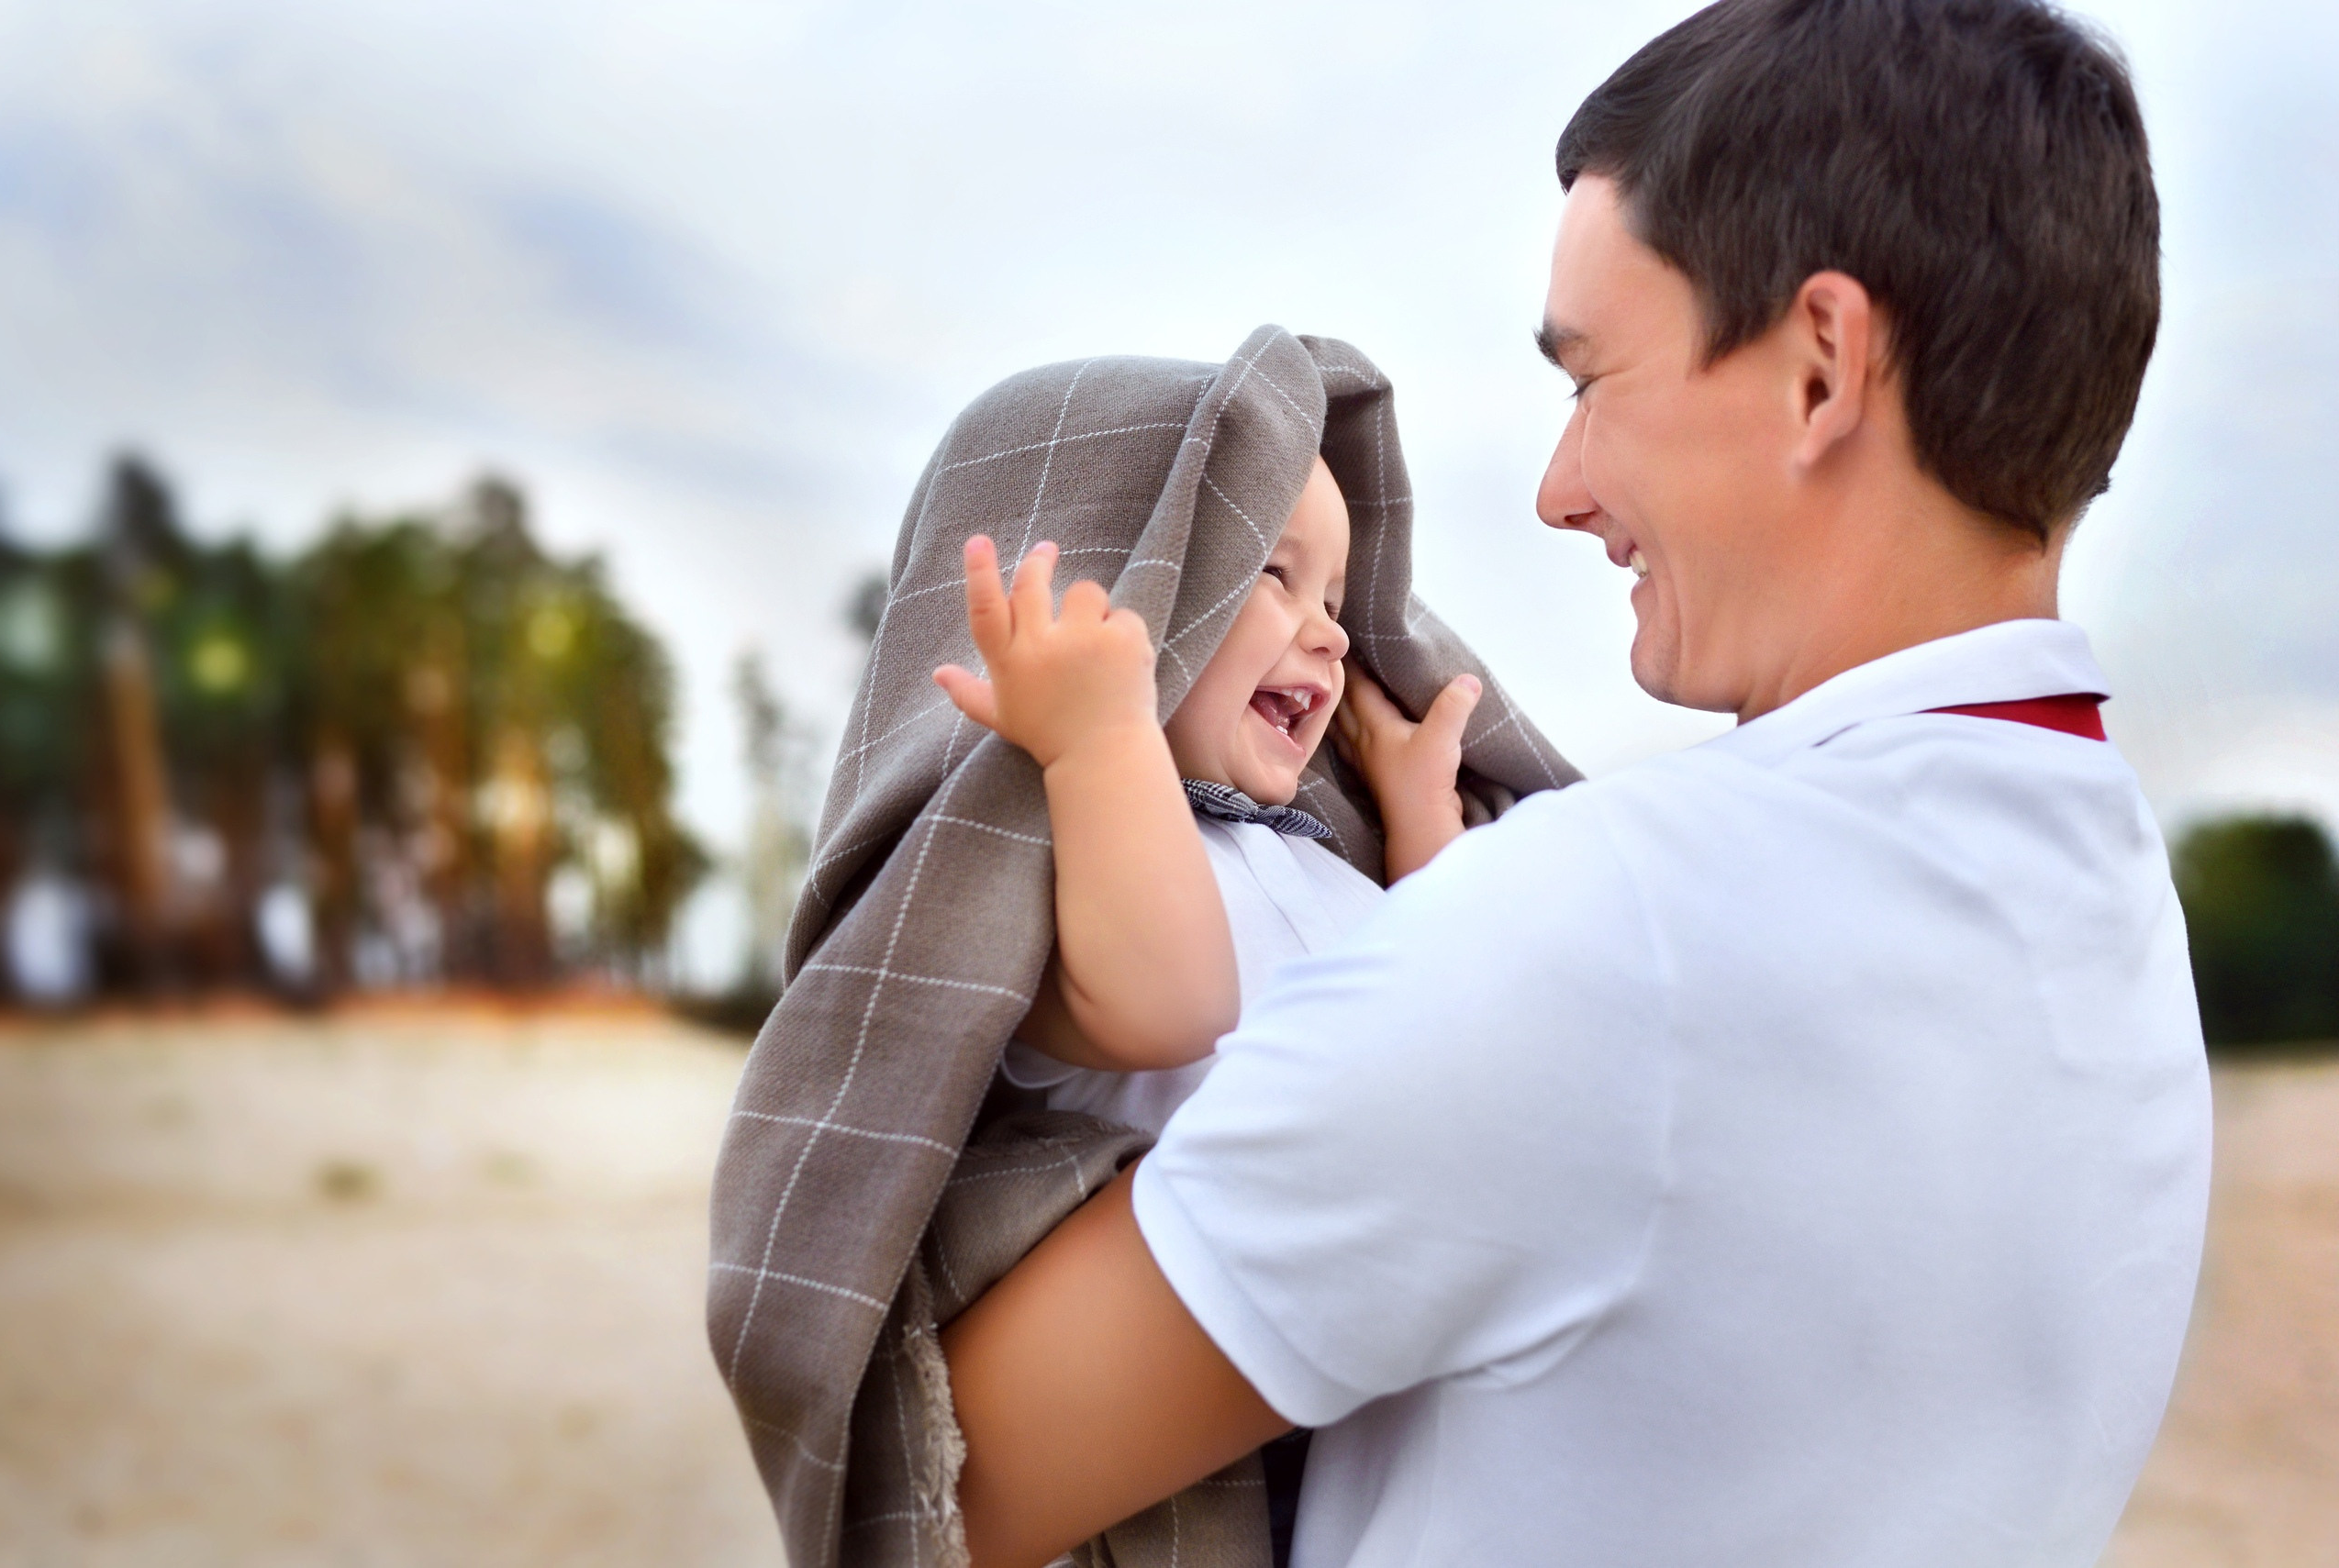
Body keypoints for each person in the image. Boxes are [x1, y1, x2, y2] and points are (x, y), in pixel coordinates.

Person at [936, 2, 2215, 1565]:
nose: (1559, 490)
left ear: (1821, 369)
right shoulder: (2123, 944)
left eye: (1592, 376)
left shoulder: (1616, 930)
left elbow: (943, 1469)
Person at [930, 458, 1481, 1140]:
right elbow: (1178, 1013)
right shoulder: (1055, 870)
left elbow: (1472, 993)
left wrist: (1420, 814)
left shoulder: (1328, 858)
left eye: (1334, 605)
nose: (1335, 635)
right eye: (1276, 573)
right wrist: (1099, 736)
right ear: (1138, 583)